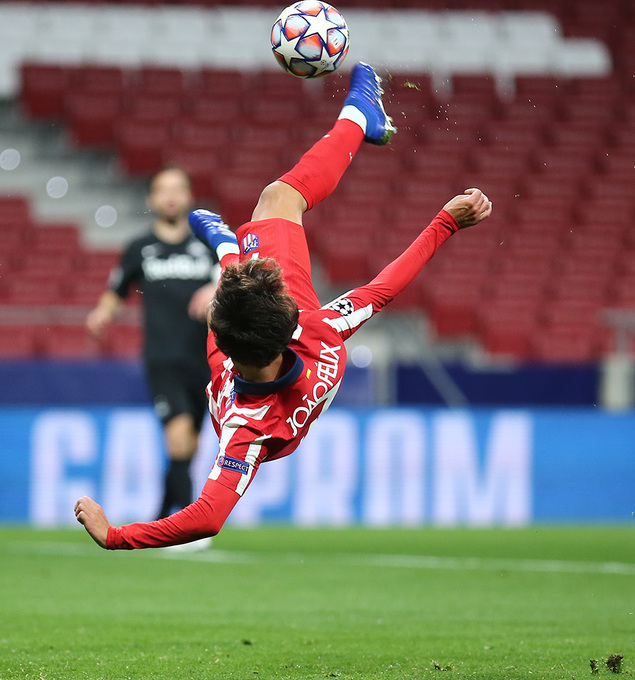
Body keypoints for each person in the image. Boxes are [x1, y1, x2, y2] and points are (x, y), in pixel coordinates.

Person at [74, 62, 493, 550]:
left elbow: (209, 516)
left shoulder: (236, 396)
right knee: (279, 197)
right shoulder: (317, 335)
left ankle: (229, 249)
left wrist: (113, 536)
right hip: (283, 360)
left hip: (254, 358)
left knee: (254, 239)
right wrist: (444, 222)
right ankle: (360, 119)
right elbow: (384, 288)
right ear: (287, 319)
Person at [86, 166, 218, 530]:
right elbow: (117, 290)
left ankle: (161, 516)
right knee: (178, 441)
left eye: (178, 189)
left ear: (190, 197)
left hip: (207, 363)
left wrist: (215, 287)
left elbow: (235, 274)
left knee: (188, 447)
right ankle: (190, 526)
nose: (171, 196)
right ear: (151, 199)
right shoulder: (139, 248)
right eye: (163, 190)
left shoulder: (208, 246)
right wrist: (102, 314)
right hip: (163, 360)